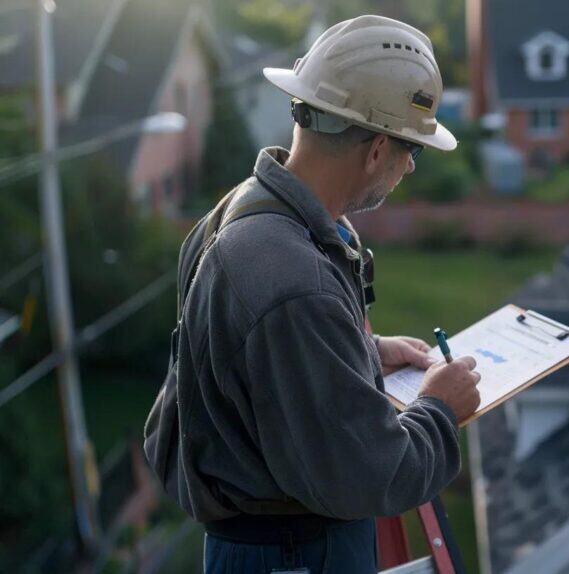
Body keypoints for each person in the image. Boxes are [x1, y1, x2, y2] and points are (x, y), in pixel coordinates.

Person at [143, 15, 481, 573]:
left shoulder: (239, 212)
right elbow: (373, 475)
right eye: (411, 151)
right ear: (376, 150)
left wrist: (359, 353)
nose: (409, 168)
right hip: (296, 555)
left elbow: (246, 372)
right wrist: (440, 410)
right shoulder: (297, 285)